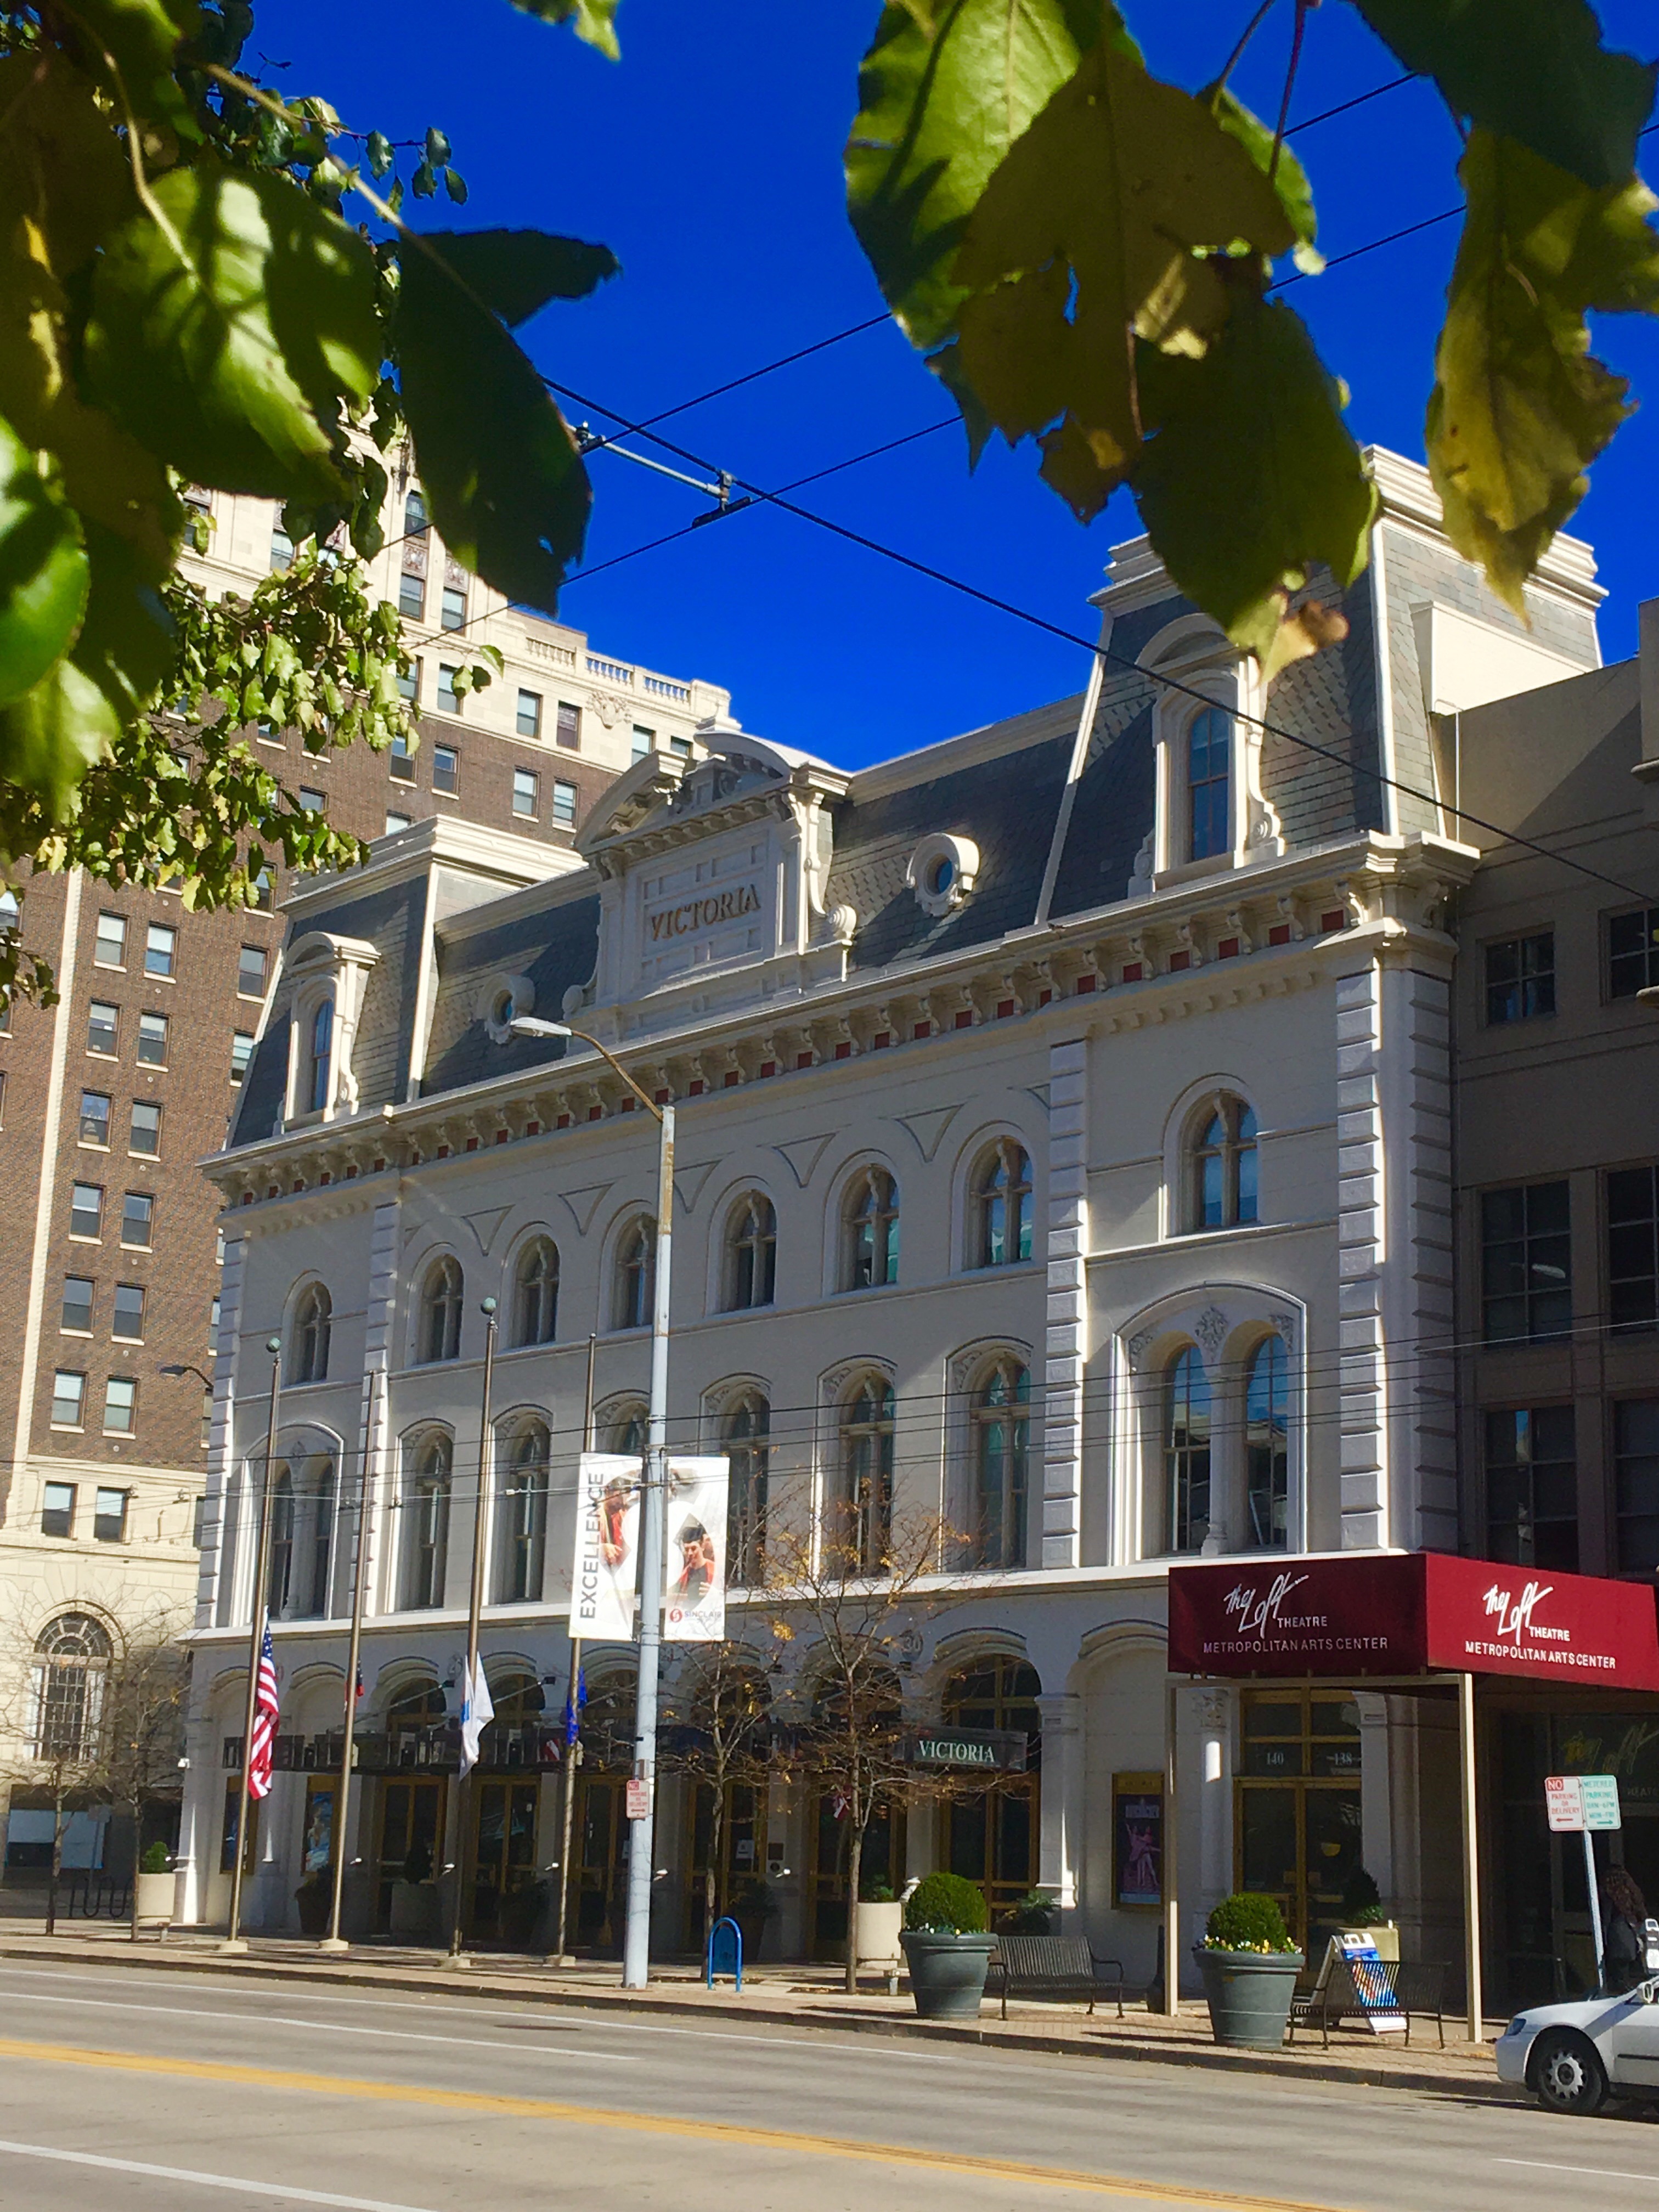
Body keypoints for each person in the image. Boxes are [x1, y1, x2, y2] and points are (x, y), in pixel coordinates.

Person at [1600, 1864, 1648, 1993]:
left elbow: (1606, 1922)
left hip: (1618, 1948)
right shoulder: (1633, 1897)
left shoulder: (1610, 1900)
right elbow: (1642, 1917)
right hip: (1634, 1947)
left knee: (1618, 1987)